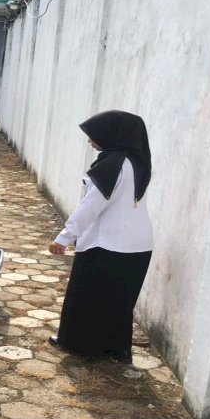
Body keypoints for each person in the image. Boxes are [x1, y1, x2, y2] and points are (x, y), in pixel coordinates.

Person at [47, 110, 154, 364]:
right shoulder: (137, 162)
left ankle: (77, 344)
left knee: (86, 296)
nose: (90, 141)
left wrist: (64, 237)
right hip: (138, 244)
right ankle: (117, 349)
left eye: (93, 136)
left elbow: (91, 205)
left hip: (107, 243)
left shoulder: (111, 164)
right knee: (120, 300)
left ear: (111, 134)